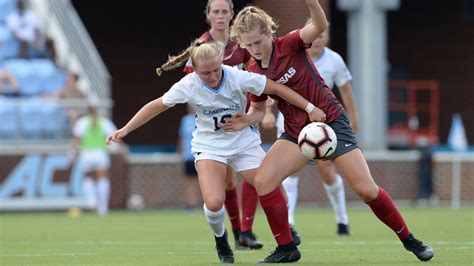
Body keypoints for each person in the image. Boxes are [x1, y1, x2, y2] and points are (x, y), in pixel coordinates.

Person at [230, 0, 434, 263]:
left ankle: (410, 241)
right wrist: (245, 120)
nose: (254, 49)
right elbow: (258, 111)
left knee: (366, 190)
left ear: (269, 33)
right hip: (296, 134)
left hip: (331, 124)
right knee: (263, 181)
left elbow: (320, 25)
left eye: (258, 42)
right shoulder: (254, 71)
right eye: (248, 44)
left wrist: (311, 2)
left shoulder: (290, 43)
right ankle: (287, 248)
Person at [106, 40, 322, 263]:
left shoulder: (237, 76)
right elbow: (157, 105)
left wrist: (309, 107)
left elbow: (275, 88)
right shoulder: (188, 84)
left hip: (243, 142)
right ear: (195, 70)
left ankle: (285, 237)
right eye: (205, 73)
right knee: (214, 202)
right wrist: (125, 129)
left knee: (274, 189)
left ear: (222, 62)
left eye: (216, 70)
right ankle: (221, 239)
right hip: (209, 145)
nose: (213, 76)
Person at [156, 0, 263, 251]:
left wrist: (257, 112)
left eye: (225, 11)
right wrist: (215, 113)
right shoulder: (202, 47)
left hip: (244, 119)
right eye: (216, 11)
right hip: (215, 125)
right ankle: (236, 233)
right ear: (208, 15)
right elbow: (192, 91)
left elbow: (256, 77)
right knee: (226, 183)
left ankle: (245, 231)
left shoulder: (241, 44)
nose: (221, 16)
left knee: (256, 173)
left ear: (232, 15)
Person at [262, 21, 356, 237]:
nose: (318, 38)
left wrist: (352, 120)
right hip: (291, 125)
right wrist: (267, 112)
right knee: (291, 172)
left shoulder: (334, 60)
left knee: (327, 171)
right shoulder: (292, 54)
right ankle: (290, 222)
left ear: (327, 37)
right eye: (315, 34)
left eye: (322, 34)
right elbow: (273, 90)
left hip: (323, 126)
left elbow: (347, 92)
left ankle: (342, 219)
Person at [71, 102, 117, 216]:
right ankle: (103, 209)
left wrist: (71, 155)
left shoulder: (81, 122)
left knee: (87, 177)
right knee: (103, 178)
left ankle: (91, 202)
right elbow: (115, 136)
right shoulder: (104, 122)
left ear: (87, 110)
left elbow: (77, 141)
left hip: (86, 154)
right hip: (100, 154)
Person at [178, 104, 201, 210]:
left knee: (205, 181)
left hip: (202, 155)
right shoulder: (185, 120)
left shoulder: (203, 118)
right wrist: (180, 152)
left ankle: (208, 205)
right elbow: (181, 137)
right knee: (190, 182)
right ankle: (191, 204)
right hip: (189, 156)